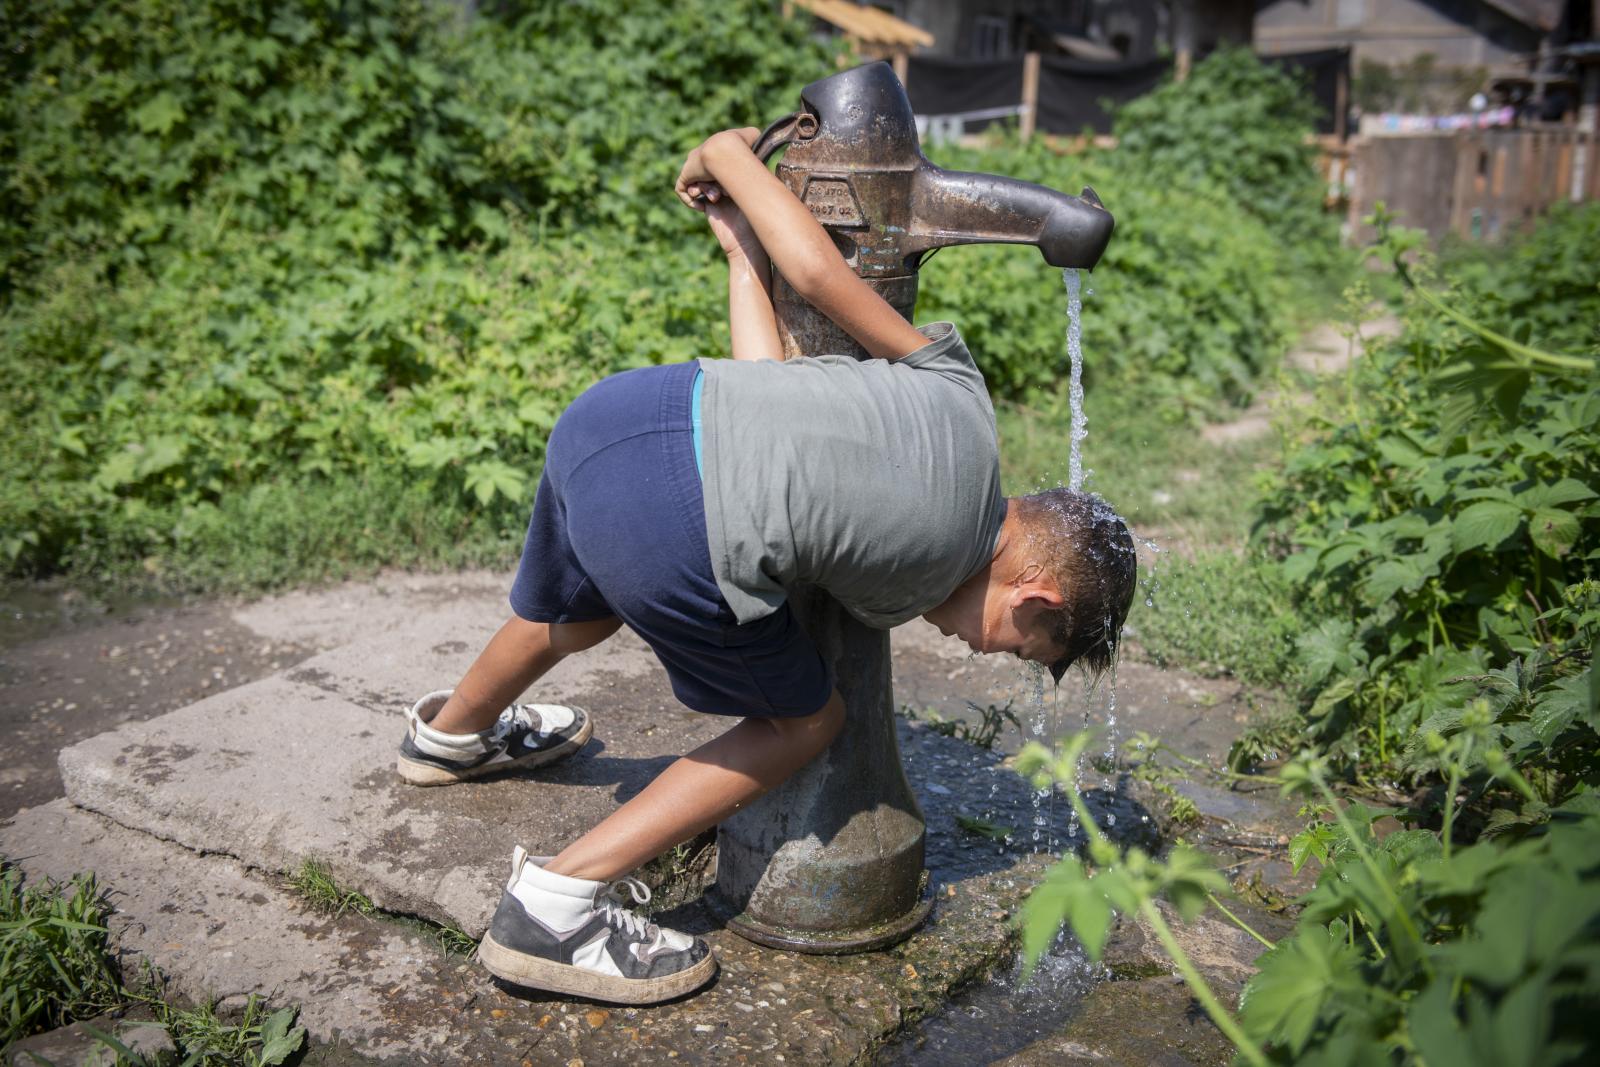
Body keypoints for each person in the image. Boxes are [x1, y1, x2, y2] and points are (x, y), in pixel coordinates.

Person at [394, 126, 1137, 1005]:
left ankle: (450, 736)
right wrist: (729, 161)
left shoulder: (963, 396)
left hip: (617, 417)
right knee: (805, 722)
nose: (987, 655)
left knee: (580, 612)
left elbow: (806, 311)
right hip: (672, 524)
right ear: (1035, 594)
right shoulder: (923, 572)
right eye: (1019, 645)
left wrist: (739, 218)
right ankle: (554, 903)